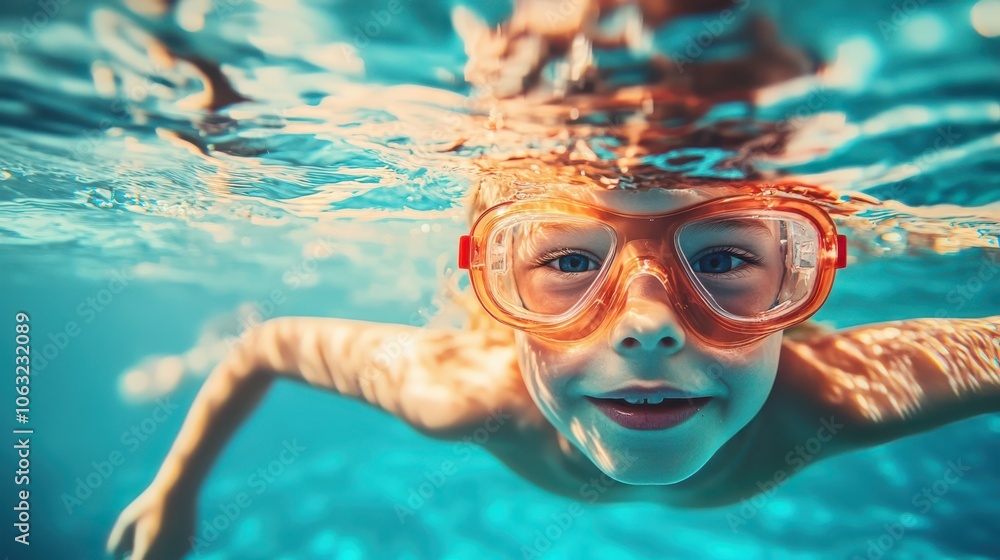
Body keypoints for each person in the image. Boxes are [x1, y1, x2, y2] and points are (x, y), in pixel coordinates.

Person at [107, 2, 1000, 559]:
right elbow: (268, 343)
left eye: (725, 258)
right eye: (570, 261)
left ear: (806, 276)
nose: (647, 325)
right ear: (493, 283)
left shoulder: (835, 395)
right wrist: (175, 490)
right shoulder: (467, 388)